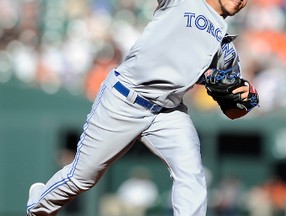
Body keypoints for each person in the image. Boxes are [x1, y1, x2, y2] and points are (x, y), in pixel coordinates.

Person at [27, 0, 256, 215]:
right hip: (125, 99)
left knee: (192, 175)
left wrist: (244, 99)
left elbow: (234, 111)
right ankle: (39, 207)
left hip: (169, 112)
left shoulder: (226, 50)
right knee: (82, 178)